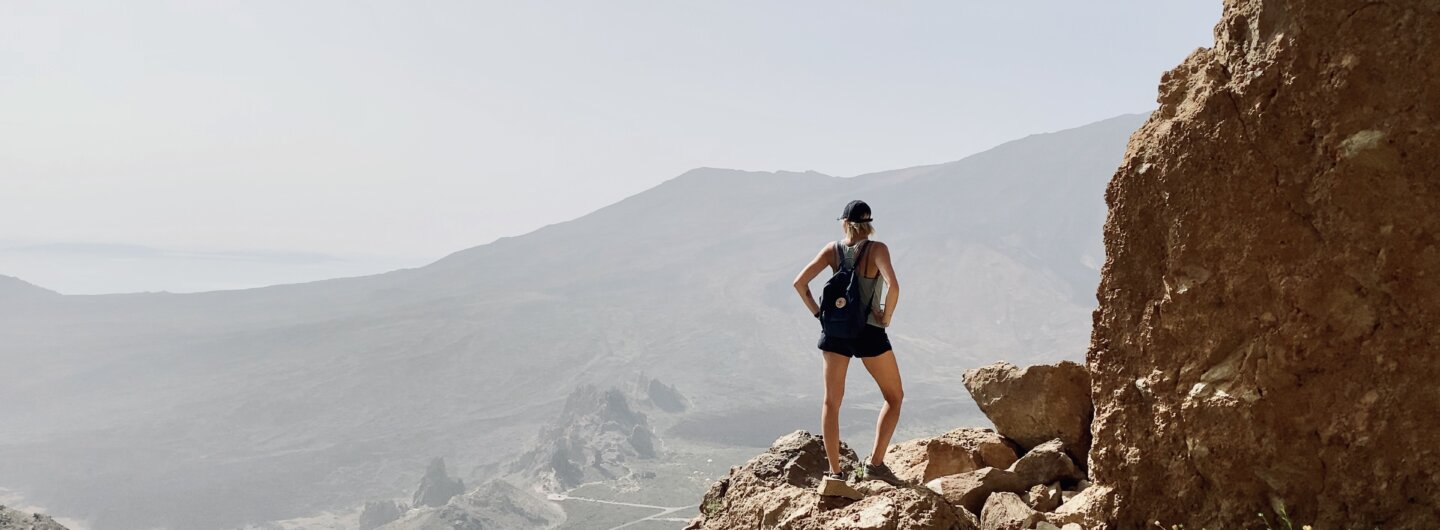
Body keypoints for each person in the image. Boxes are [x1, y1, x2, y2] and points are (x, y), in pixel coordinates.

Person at [792, 200, 905, 499]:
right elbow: (894, 286)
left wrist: (819, 315)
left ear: (844, 222)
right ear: (869, 223)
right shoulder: (878, 249)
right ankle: (876, 464)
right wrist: (886, 316)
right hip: (869, 332)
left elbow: (799, 283)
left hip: (836, 332)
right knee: (894, 397)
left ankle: (835, 475)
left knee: (832, 402)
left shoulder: (832, 250)